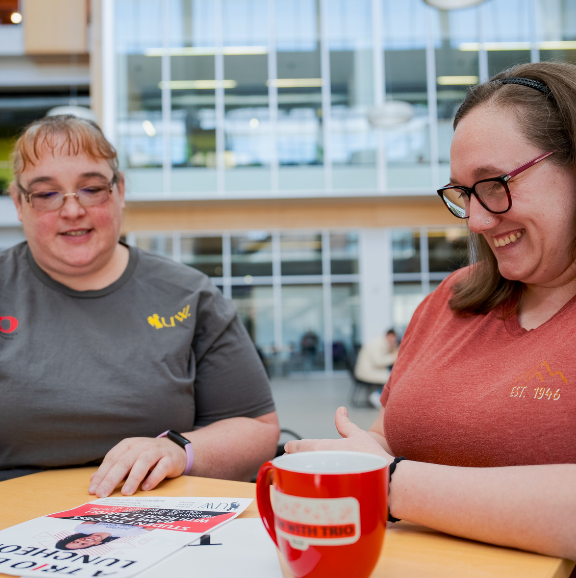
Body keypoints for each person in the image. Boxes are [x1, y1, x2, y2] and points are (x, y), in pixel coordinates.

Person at [285, 61, 576, 561]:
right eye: (464, 194)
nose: (479, 220)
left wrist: (390, 483)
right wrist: (360, 455)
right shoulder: (451, 299)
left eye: (494, 183)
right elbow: (391, 435)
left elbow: (391, 470)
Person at [0, 115, 280, 495]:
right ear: (19, 202)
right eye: (46, 193)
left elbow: (255, 427)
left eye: (91, 188)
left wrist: (177, 451)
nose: (71, 210)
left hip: (156, 522)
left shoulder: (188, 294)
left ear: (119, 191)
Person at [353, 329, 399, 407]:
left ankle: (379, 395)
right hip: (366, 372)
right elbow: (378, 362)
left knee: (393, 375)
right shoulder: (378, 344)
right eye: (392, 338)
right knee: (394, 379)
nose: (393, 341)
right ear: (387, 336)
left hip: (370, 370)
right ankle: (377, 395)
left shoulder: (384, 343)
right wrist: (393, 357)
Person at [55, 521, 153, 550]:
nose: (82, 541)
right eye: (83, 544)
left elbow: (98, 514)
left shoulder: (82, 529)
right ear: (97, 544)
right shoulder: (130, 535)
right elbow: (155, 523)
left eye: (76, 541)